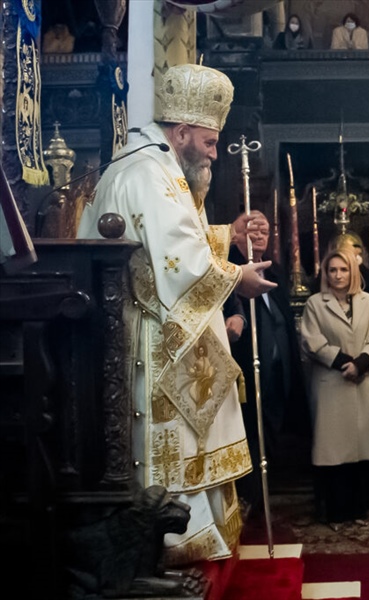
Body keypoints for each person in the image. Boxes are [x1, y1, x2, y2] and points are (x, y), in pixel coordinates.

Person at [76, 63, 276, 565]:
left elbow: (166, 245)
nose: (213, 152)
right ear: (182, 131)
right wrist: (239, 278)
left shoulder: (156, 167)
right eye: (209, 142)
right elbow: (176, 265)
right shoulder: (149, 173)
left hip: (157, 327)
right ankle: (174, 538)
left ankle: (196, 531)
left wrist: (226, 236)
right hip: (150, 336)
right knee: (175, 437)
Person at [299, 248, 369, 526]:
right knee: (333, 453)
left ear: (353, 272)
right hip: (332, 382)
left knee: (360, 449)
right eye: (332, 270)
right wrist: (344, 362)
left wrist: (361, 363)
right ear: (325, 274)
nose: (338, 275)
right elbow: (311, 340)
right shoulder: (315, 303)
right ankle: (335, 512)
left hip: (362, 380)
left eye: (343, 269)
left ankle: (358, 509)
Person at [228, 222, 305, 517]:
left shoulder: (274, 275)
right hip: (247, 370)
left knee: (270, 435)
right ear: (236, 235)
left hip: (276, 373)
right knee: (249, 436)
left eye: (264, 232)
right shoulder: (230, 271)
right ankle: (247, 502)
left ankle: (261, 500)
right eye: (252, 231)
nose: (259, 236)